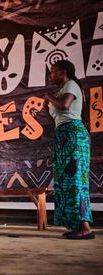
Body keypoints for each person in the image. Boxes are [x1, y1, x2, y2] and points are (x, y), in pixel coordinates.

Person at [45, 59, 94, 240]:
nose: (50, 74)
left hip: (74, 134)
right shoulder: (62, 89)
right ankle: (76, 225)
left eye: (53, 71)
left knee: (75, 180)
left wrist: (49, 98)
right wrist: (47, 107)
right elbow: (58, 117)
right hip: (64, 135)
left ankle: (85, 227)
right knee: (64, 181)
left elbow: (65, 105)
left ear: (63, 71)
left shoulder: (71, 84)